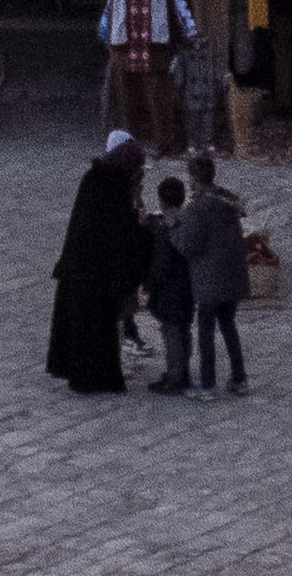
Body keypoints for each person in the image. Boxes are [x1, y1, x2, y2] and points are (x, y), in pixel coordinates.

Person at [44, 132, 147, 393]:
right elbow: (120, 229)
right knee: (95, 328)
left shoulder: (96, 176)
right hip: (96, 270)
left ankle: (77, 372)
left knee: (82, 325)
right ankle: (92, 379)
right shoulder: (115, 184)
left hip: (80, 264)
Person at [165, 155, 252, 395]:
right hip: (233, 276)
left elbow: (188, 246)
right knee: (228, 325)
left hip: (210, 280)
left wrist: (172, 228)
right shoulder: (226, 200)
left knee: (206, 330)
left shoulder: (199, 208)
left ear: (193, 178)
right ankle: (239, 378)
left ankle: (207, 383)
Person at [141, 173, 199, 392]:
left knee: (171, 334)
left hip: (168, 291)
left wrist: (149, 284)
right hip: (187, 288)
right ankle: (181, 371)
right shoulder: (188, 222)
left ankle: (175, 378)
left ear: (161, 200)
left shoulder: (164, 230)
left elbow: (160, 265)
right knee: (183, 332)